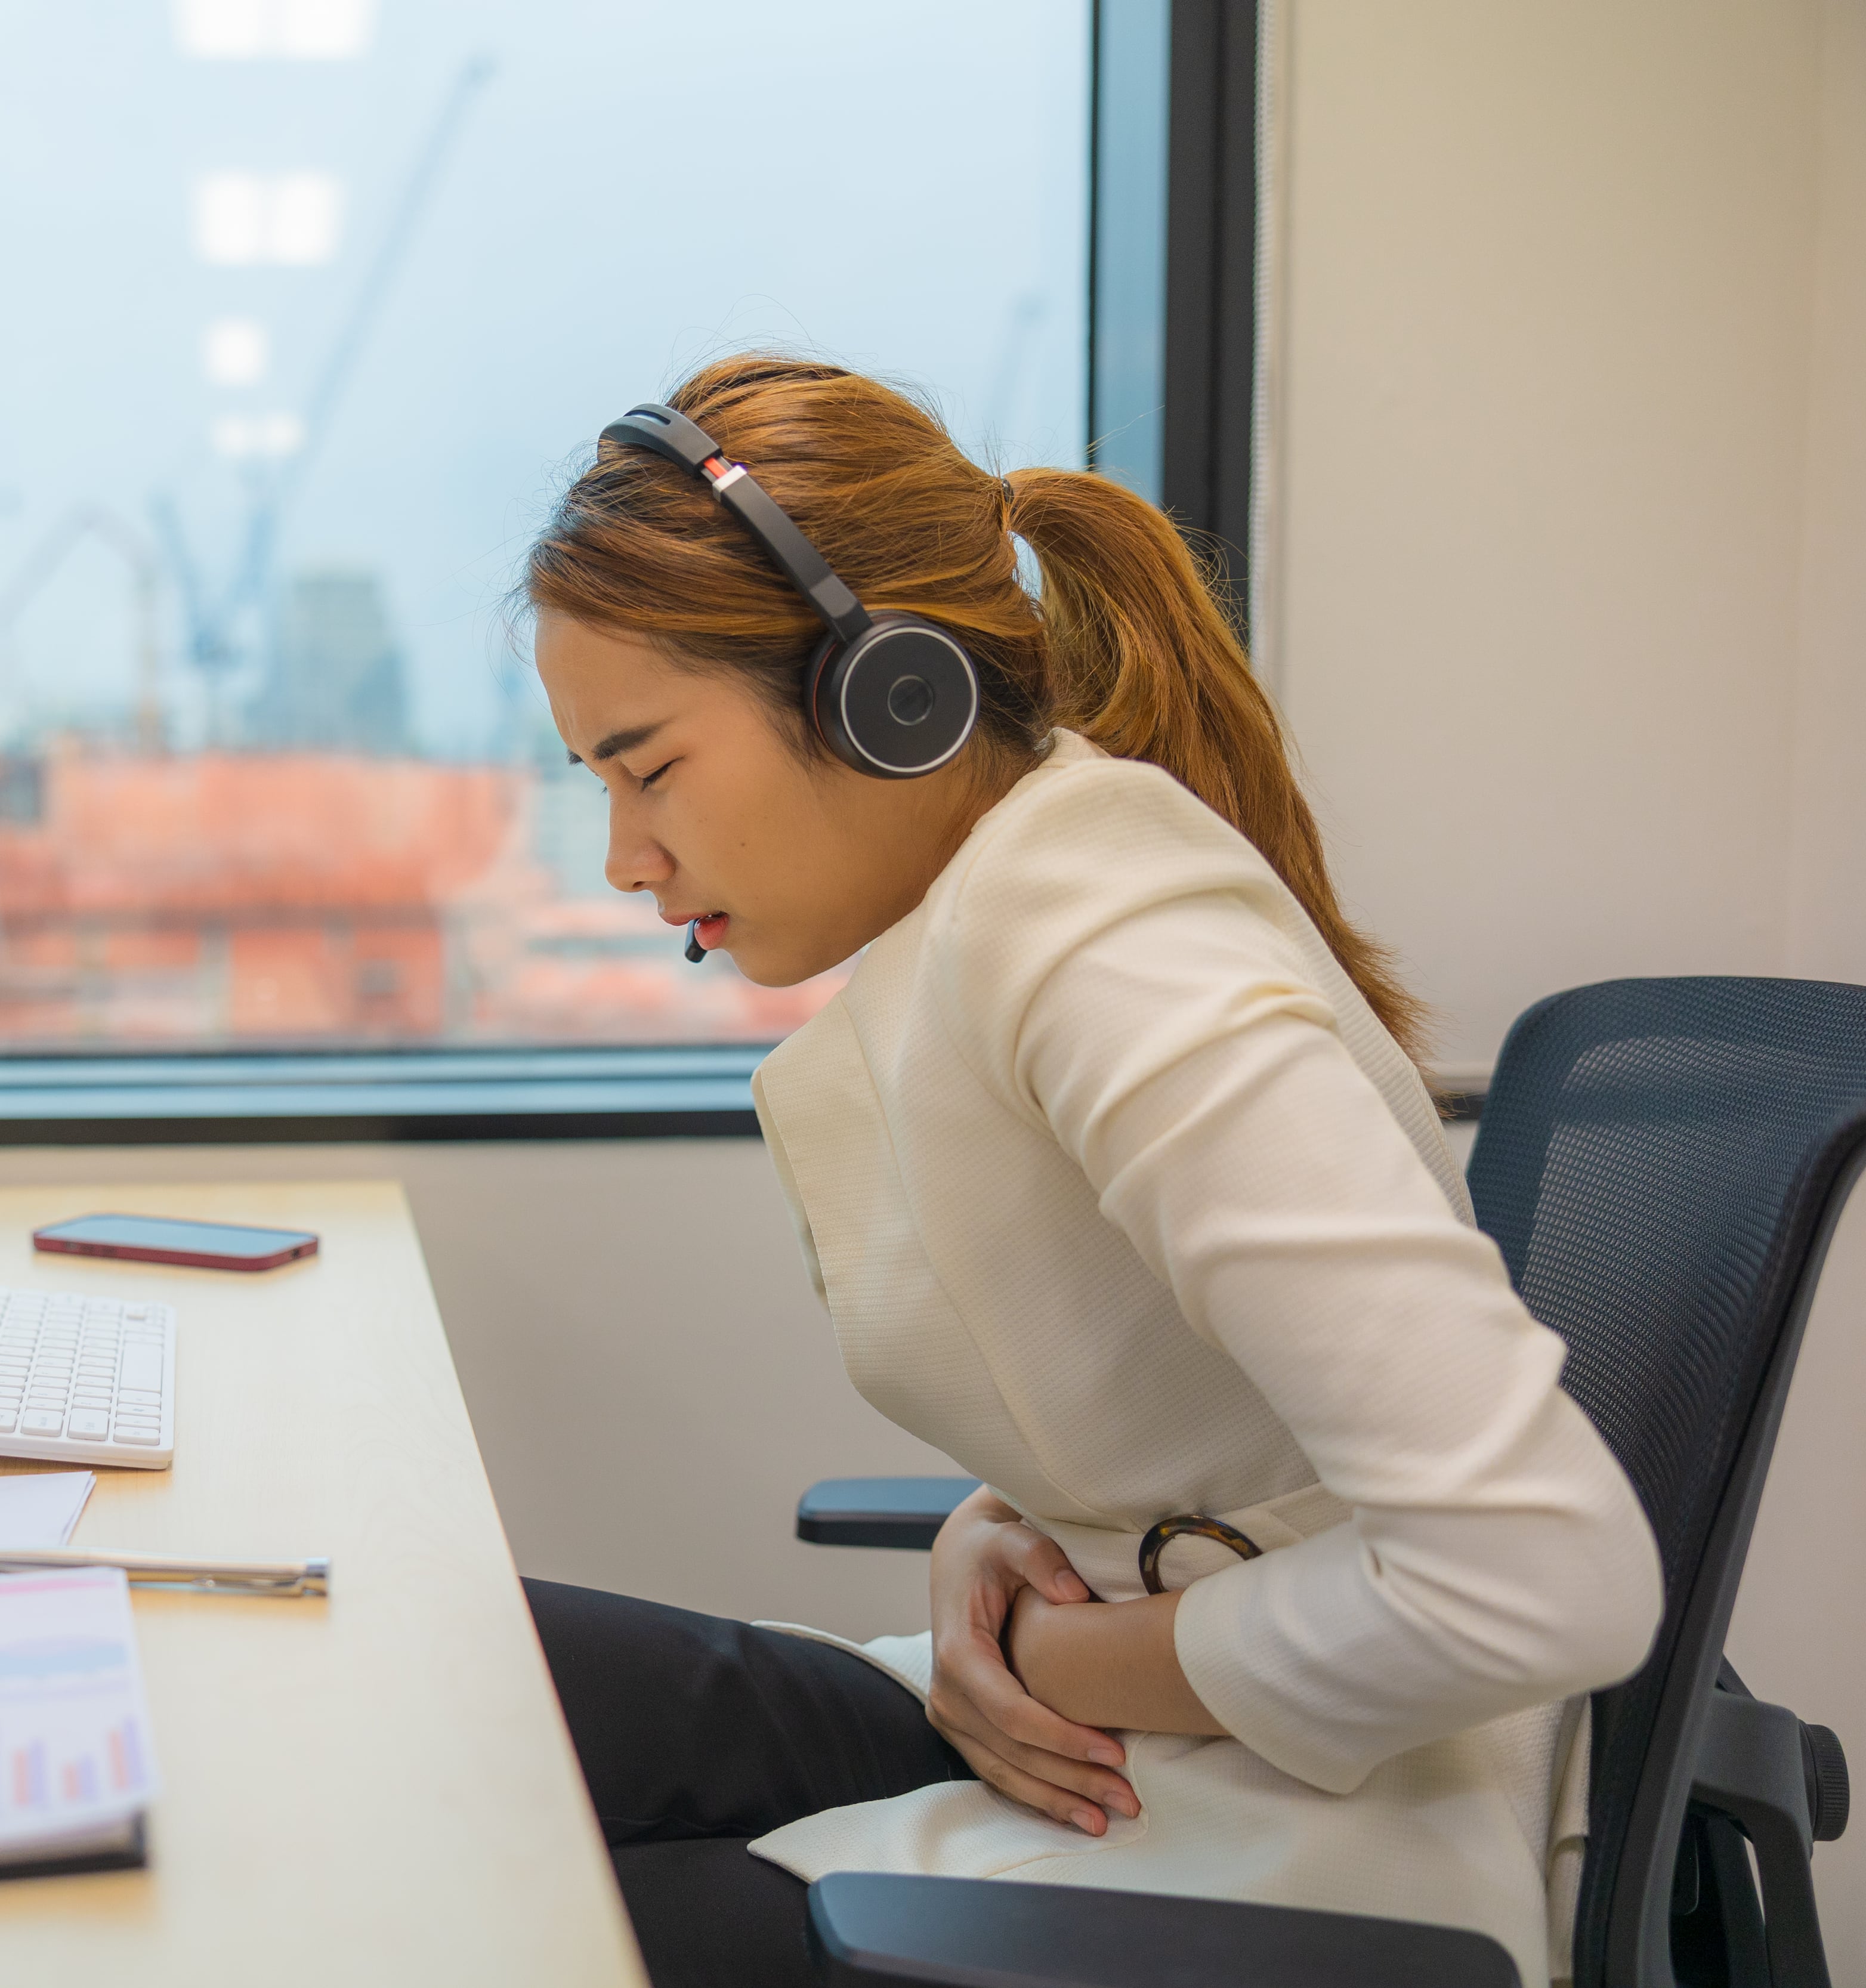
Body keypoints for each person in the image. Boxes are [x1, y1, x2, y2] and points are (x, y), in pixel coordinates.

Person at [518, 355, 1661, 1988]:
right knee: (455, 1682)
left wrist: (1076, 1651)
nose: (627, 859)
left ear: (881, 692)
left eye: (649, 768)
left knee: (501, 1905)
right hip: (1123, 1726)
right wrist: (1008, 1528)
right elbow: (1202, 1407)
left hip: (1291, 1831)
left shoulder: (1115, 950)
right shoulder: (1015, 903)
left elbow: (1550, 1581)